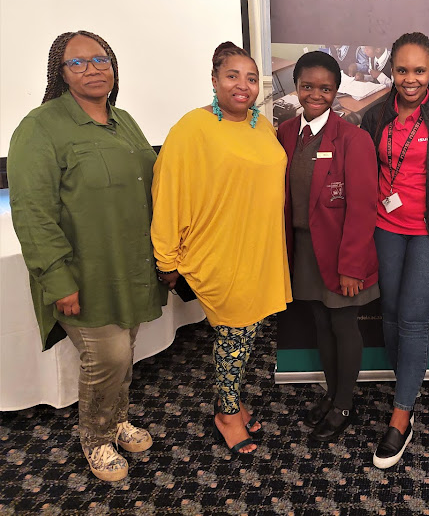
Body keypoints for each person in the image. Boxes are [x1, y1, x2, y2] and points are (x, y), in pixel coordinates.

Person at [7, 31, 166, 481]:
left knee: (124, 351)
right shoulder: (39, 127)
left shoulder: (125, 120)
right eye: (78, 63)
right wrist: (57, 280)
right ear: (60, 72)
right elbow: (32, 212)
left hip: (130, 265)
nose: (92, 69)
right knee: (108, 356)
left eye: (101, 60)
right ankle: (95, 439)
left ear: (114, 67)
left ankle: (117, 419)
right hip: (84, 272)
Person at [151, 42, 292, 457]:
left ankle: (230, 400)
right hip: (219, 252)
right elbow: (169, 193)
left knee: (246, 337)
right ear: (214, 80)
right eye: (232, 76)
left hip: (260, 252)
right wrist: (166, 257)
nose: (243, 86)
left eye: (251, 78)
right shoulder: (191, 129)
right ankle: (227, 413)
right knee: (233, 338)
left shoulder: (260, 125)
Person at [361, 32, 429, 469]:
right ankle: (406, 385)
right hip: (384, 229)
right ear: (392, 71)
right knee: (389, 314)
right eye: (402, 70)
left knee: (413, 319)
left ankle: (402, 415)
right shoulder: (374, 117)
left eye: (419, 71)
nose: (410, 79)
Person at [277, 51, 379, 442]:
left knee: (342, 323)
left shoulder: (353, 138)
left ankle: (344, 403)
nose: (315, 94)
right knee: (320, 322)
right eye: (307, 86)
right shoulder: (286, 132)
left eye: (324, 87)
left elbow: (362, 207)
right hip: (304, 249)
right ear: (296, 87)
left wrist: (352, 265)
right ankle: (332, 392)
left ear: (336, 90)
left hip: (341, 253)